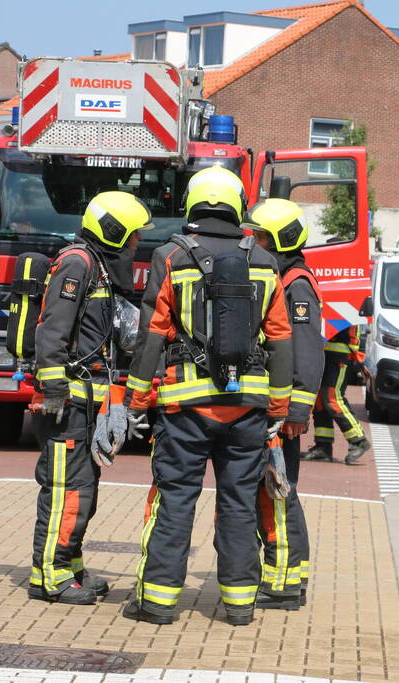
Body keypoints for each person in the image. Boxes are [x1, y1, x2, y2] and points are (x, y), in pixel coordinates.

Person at [117, 166, 294, 626]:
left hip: (185, 407)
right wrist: (277, 407)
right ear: (238, 204)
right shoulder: (265, 260)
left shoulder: (172, 256)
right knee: (238, 506)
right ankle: (238, 607)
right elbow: (280, 338)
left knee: (175, 500)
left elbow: (151, 334)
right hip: (248, 408)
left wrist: (135, 401)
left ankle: (157, 603)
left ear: (192, 202)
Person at [27, 190, 153, 604]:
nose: (136, 245)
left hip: (87, 401)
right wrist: (55, 390)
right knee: (66, 490)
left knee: (83, 489)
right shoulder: (77, 263)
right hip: (67, 403)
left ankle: (71, 566)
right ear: (114, 232)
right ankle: (50, 576)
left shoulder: (96, 265)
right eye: (133, 236)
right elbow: (52, 329)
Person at [244, 198, 324, 611]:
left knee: (277, 492)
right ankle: (289, 577)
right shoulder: (282, 277)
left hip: (284, 413)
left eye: (257, 236)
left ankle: (284, 584)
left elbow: (308, 353)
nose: (251, 242)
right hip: (276, 408)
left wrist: (296, 411)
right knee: (277, 490)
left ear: (279, 240)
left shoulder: (296, 286)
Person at [304, 323, 371, 465]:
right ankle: (323, 446)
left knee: (332, 398)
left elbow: (353, 325)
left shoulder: (345, 302)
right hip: (323, 353)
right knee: (320, 401)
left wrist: (356, 354)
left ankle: (359, 440)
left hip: (340, 355)